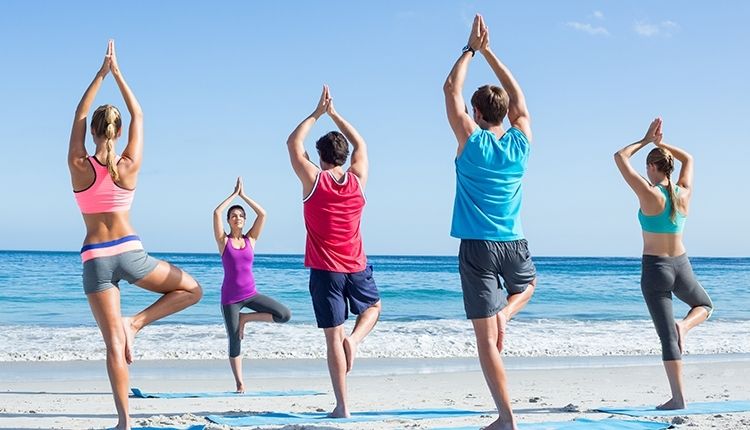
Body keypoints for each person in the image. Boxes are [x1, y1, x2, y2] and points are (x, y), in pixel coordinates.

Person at [67, 40, 203, 430]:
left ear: (93, 131)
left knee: (112, 345)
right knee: (192, 290)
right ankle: (138, 323)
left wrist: (99, 73)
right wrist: (118, 73)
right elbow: (139, 113)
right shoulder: (129, 164)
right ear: (118, 130)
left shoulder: (78, 164)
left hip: (95, 258)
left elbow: (78, 114)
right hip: (131, 253)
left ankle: (125, 422)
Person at [443, 15, 536, 430]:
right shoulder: (521, 142)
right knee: (528, 286)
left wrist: (469, 49)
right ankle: (508, 312)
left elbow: (450, 89)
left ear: (476, 113)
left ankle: (506, 417)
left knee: (486, 344)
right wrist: (491, 52)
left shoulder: (471, 139)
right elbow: (519, 99)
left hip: (478, 246)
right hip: (514, 242)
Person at [286, 85, 382, 418]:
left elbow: (292, 144)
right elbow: (363, 144)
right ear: (343, 156)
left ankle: (342, 408)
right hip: (357, 266)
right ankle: (355, 341)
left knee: (332, 339)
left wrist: (317, 113)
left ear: (322, 157)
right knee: (373, 308)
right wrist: (336, 114)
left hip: (325, 272)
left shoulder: (314, 180)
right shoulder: (357, 179)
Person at [614, 117, 713, 409]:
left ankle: (678, 398)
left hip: (655, 270)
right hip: (682, 266)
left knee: (667, 337)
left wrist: (646, 140)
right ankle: (684, 325)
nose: (646, 170)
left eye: (648, 165)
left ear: (654, 168)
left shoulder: (649, 193)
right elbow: (690, 158)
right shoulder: (684, 192)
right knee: (705, 306)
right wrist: (663, 144)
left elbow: (619, 157)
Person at [213, 177, 291, 393]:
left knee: (284, 314)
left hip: (251, 294)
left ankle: (246, 318)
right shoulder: (223, 242)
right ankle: (239, 383)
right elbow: (215, 213)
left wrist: (243, 196)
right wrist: (232, 196)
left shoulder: (251, 240)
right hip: (230, 299)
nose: (237, 218)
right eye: (233, 216)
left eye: (240, 216)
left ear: (244, 220)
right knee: (234, 341)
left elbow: (263, 214)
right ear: (229, 220)